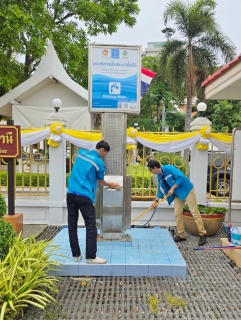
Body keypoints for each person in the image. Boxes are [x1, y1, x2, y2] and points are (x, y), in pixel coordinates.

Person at [67, 140, 121, 264]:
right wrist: (111, 185)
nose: (104, 156)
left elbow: (91, 151)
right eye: (105, 153)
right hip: (84, 196)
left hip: (71, 193)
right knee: (91, 226)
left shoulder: (81, 153)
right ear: (102, 150)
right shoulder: (99, 163)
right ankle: (91, 257)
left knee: (72, 224)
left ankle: (76, 254)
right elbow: (101, 181)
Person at [147, 160, 207, 246]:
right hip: (178, 194)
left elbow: (180, 177)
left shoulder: (169, 168)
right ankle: (181, 235)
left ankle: (203, 234)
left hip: (187, 190)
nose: (150, 172)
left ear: (155, 168)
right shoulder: (159, 176)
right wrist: (156, 201)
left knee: (194, 212)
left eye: (150, 170)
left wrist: (173, 188)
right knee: (177, 213)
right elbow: (161, 189)